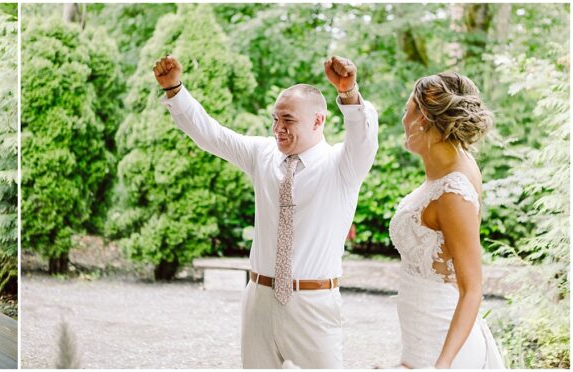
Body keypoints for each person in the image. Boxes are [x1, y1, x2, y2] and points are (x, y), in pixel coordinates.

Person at [153, 55, 379, 368]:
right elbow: (212, 135)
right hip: (258, 299)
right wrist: (174, 90)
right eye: (275, 119)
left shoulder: (343, 164)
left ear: (318, 121)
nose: (278, 129)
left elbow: (363, 137)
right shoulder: (263, 154)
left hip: (313, 305)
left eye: (288, 120)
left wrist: (349, 93)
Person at [389, 72, 505, 368]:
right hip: (421, 335)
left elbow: (472, 289)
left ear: (423, 118)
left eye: (407, 110)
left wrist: (442, 365)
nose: (403, 119)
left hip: (441, 342)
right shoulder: (451, 163)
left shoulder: (454, 193)